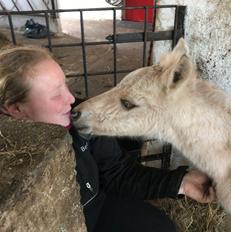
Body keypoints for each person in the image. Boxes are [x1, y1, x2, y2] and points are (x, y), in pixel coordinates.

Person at [0, 45, 216, 232]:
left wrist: (181, 183)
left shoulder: (79, 119)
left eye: (66, 86)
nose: (71, 99)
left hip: (96, 206)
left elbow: (117, 171)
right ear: (16, 109)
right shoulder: (10, 164)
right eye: (56, 95)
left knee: (161, 227)